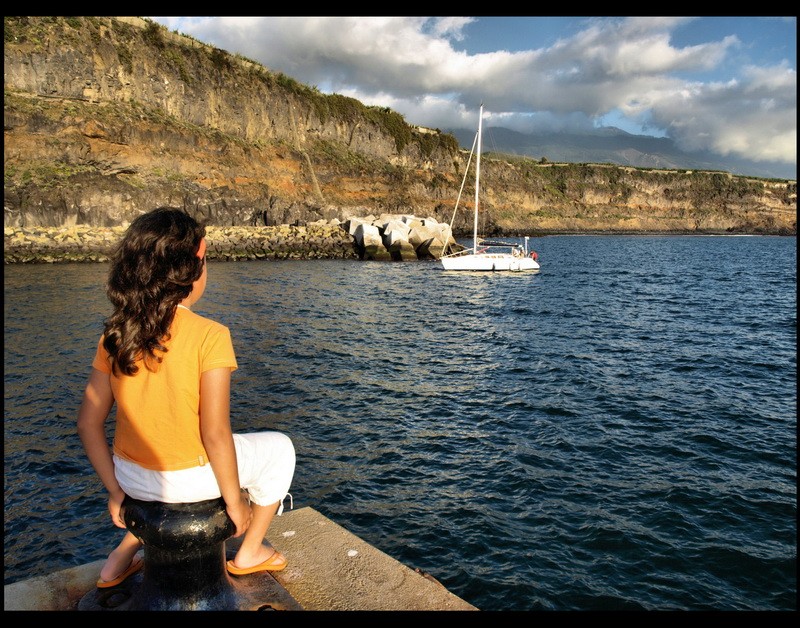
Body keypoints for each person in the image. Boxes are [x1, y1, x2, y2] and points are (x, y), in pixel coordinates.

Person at [77, 207, 296, 587]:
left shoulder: (116, 335)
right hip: (189, 479)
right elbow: (214, 432)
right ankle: (250, 552)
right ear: (196, 262)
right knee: (278, 449)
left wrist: (116, 492)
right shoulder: (210, 335)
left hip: (131, 478)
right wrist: (234, 503)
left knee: (170, 470)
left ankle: (121, 554)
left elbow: (87, 422)